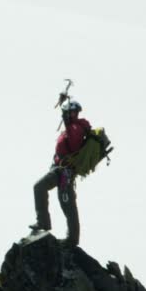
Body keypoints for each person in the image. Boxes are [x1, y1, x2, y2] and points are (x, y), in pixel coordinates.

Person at [29, 99, 91, 247]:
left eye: (72, 112)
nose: (71, 114)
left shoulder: (76, 128)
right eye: (70, 112)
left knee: (58, 199)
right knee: (64, 201)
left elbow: (74, 143)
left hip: (64, 172)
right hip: (61, 170)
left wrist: (68, 124)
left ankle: (53, 228)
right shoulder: (73, 127)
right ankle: (62, 233)